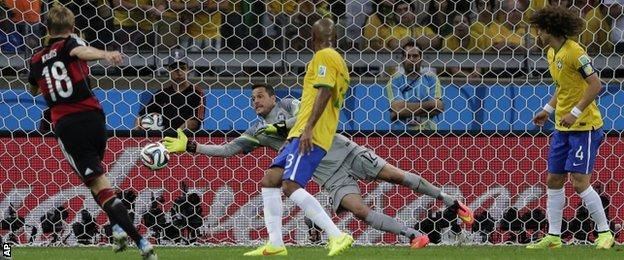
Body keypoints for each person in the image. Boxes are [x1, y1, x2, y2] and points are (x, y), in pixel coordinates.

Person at [162, 83, 473, 249]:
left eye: (259, 96)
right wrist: (190, 146)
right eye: (251, 99)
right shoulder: (256, 131)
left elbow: (304, 119)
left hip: (344, 151)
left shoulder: (291, 105)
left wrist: (280, 128)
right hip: (330, 175)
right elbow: (228, 150)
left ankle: (451, 202)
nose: (254, 102)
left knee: (397, 176)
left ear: (273, 97)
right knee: (360, 211)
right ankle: (414, 236)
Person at [26, 6, 156, 259]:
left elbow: (32, 88)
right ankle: (117, 229)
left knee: (98, 185)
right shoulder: (71, 44)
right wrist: (105, 54)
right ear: (72, 28)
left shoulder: (35, 59)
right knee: (99, 181)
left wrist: (41, 79)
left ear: (46, 29)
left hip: (68, 125)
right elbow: (80, 51)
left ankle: (142, 244)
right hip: (95, 120)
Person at [528, 5, 614, 250]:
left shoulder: (575, 52)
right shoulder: (552, 53)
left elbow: (595, 84)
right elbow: (564, 87)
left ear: (550, 29)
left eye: (540, 30)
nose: (537, 35)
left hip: (584, 127)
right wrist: (548, 109)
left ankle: (605, 233)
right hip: (562, 128)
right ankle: (554, 237)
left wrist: (575, 113)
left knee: (579, 182)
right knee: (554, 179)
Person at [386, 41, 444, 131]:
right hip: (401, 134)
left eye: (415, 56)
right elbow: (398, 109)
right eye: (408, 56)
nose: (411, 59)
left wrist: (401, 112)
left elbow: (438, 106)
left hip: (429, 133)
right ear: (402, 58)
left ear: (421, 58)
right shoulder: (394, 81)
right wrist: (429, 107)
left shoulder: (431, 79)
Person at [136, 60, 205, 131]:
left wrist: (175, 134)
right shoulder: (161, 93)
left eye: (183, 68)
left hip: (186, 138)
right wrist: (136, 133)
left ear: (188, 70)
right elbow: (141, 116)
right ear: (169, 71)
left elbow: (195, 122)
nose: (179, 72)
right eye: (175, 69)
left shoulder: (197, 93)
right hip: (164, 139)